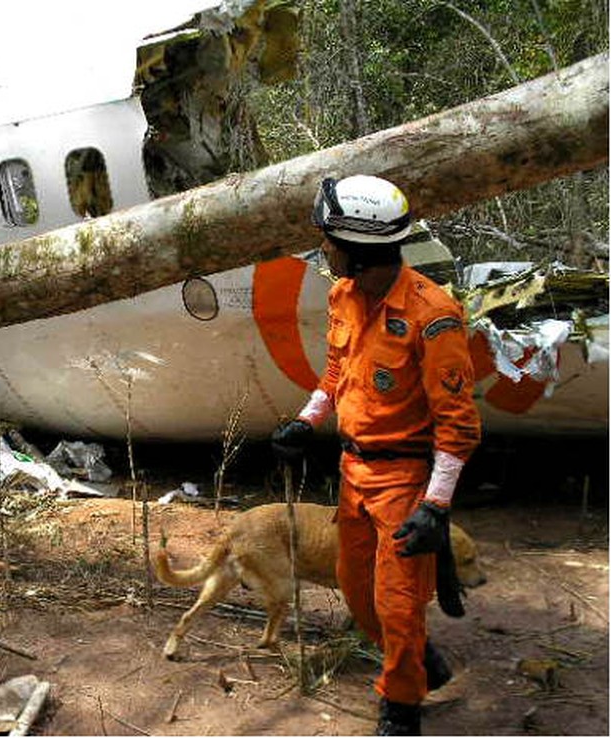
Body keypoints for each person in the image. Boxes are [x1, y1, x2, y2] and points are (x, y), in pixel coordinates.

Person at [271, 175, 481, 736]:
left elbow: (458, 423)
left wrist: (435, 505)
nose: (324, 250)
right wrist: (306, 420)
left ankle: (401, 708)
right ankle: (418, 657)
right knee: (356, 589)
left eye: (328, 241)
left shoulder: (432, 315)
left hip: (405, 480)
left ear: (358, 250)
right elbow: (338, 372)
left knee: (396, 602)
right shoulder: (343, 295)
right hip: (352, 472)